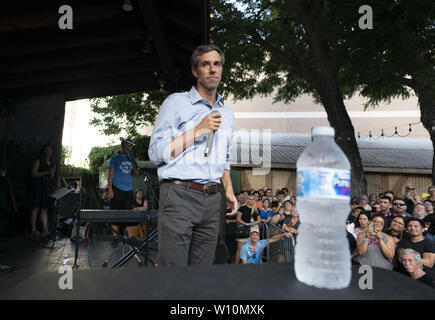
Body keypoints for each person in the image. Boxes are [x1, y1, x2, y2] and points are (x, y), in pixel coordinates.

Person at [148, 44, 237, 266]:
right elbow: (154, 153)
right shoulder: (176, 103)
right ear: (195, 71)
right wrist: (197, 130)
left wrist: (229, 190)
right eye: (205, 64)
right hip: (179, 195)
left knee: (201, 276)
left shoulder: (227, 113)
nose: (212, 69)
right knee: (174, 274)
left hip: (213, 200)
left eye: (217, 64)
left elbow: (223, 157)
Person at [107, 139, 139, 247]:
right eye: (126, 146)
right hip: (117, 189)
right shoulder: (115, 158)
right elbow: (110, 175)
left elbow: (136, 173)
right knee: (116, 214)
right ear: (122, 147)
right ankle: (115, 237)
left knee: (128, 214)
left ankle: (130, 237)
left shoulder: (131, 159)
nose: (128, 148)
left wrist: (134, 167)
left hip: (128, 190)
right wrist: (110, 190)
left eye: (129, 146)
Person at [29, 144, 56, 237]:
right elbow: (33, 174)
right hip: (38, 186)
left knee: (44, 208)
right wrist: (47, 172)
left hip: (46, 187)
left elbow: (52, 177)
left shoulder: (52, 163)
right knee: (36, 207)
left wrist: (52, 174)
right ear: (44, 151)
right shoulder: (39, 160)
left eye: (50, 150)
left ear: (52, 152)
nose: (48, 152)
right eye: (47, 150)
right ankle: (33, 229)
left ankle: (45, 230)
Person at [235, 194, 261, 264]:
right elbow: (238, 218)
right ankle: (236, 265)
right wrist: (245, 224)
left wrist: (255, 222)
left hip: (254, 229)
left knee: (253, 248)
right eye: (249, 199)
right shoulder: (242, 208)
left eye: (252, 199)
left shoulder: (256, 209)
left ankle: (252, 264)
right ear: (247, 200)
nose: (251, 200)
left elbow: (259, 220)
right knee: (240, 248)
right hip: (243, 228)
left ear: (254, 200)